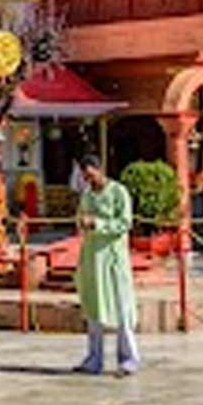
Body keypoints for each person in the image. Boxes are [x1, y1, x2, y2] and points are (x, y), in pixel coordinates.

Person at [72, 154, 140, 377]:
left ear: (99, 169)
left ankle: (128, 359)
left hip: (113, 258)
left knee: (122, 309)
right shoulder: (88, 195)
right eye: (85, 176)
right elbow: (81, 217)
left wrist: (98, 223)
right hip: (92, 259)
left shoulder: (118, 192)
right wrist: (83, 223)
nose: (88, 180)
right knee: (93, 310)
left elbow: (125, 222)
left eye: (90, 174)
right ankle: (94, 359)